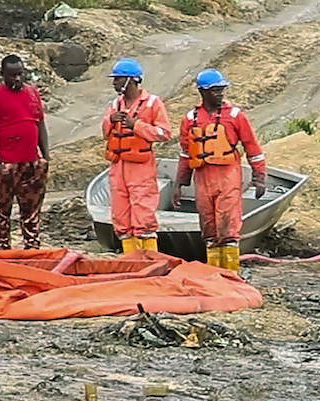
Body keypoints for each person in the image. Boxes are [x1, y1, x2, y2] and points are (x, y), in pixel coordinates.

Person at [176, 68, 267, 273]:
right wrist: (180, 183)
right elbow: (185, 152)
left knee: (228, 227)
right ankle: (214, 275)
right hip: (202, 178)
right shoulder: (190, 118)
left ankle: (231, 275)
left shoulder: (235, 116)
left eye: (221, 90)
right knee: (209, 228)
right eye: (215, 90)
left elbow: (252, 147)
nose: (220, 94)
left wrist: (259, 177)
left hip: (228, 176)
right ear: (203, 92)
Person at [0, 54, 51, 251]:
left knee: (32, 208)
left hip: (32, 161)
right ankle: (3, 248)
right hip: (7, 163)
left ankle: (32, 246)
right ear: (3, 75)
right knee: (4, 208)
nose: (17, 79)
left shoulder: (32, 93)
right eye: (12, 75)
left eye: (20, 74)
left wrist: (45, 155)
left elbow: (40, 123)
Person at [102, 58, 173, 255]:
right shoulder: (114, 104)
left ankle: (150, 260)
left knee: (143, 215)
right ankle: (130, 261)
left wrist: (137, 125)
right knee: (121, 216)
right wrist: (110, 121)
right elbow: (104, 131)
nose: (114, 83)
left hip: (141, 167)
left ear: (131, 80)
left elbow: (164, 133)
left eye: (118, 79)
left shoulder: (153, 104)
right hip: (118, 166)